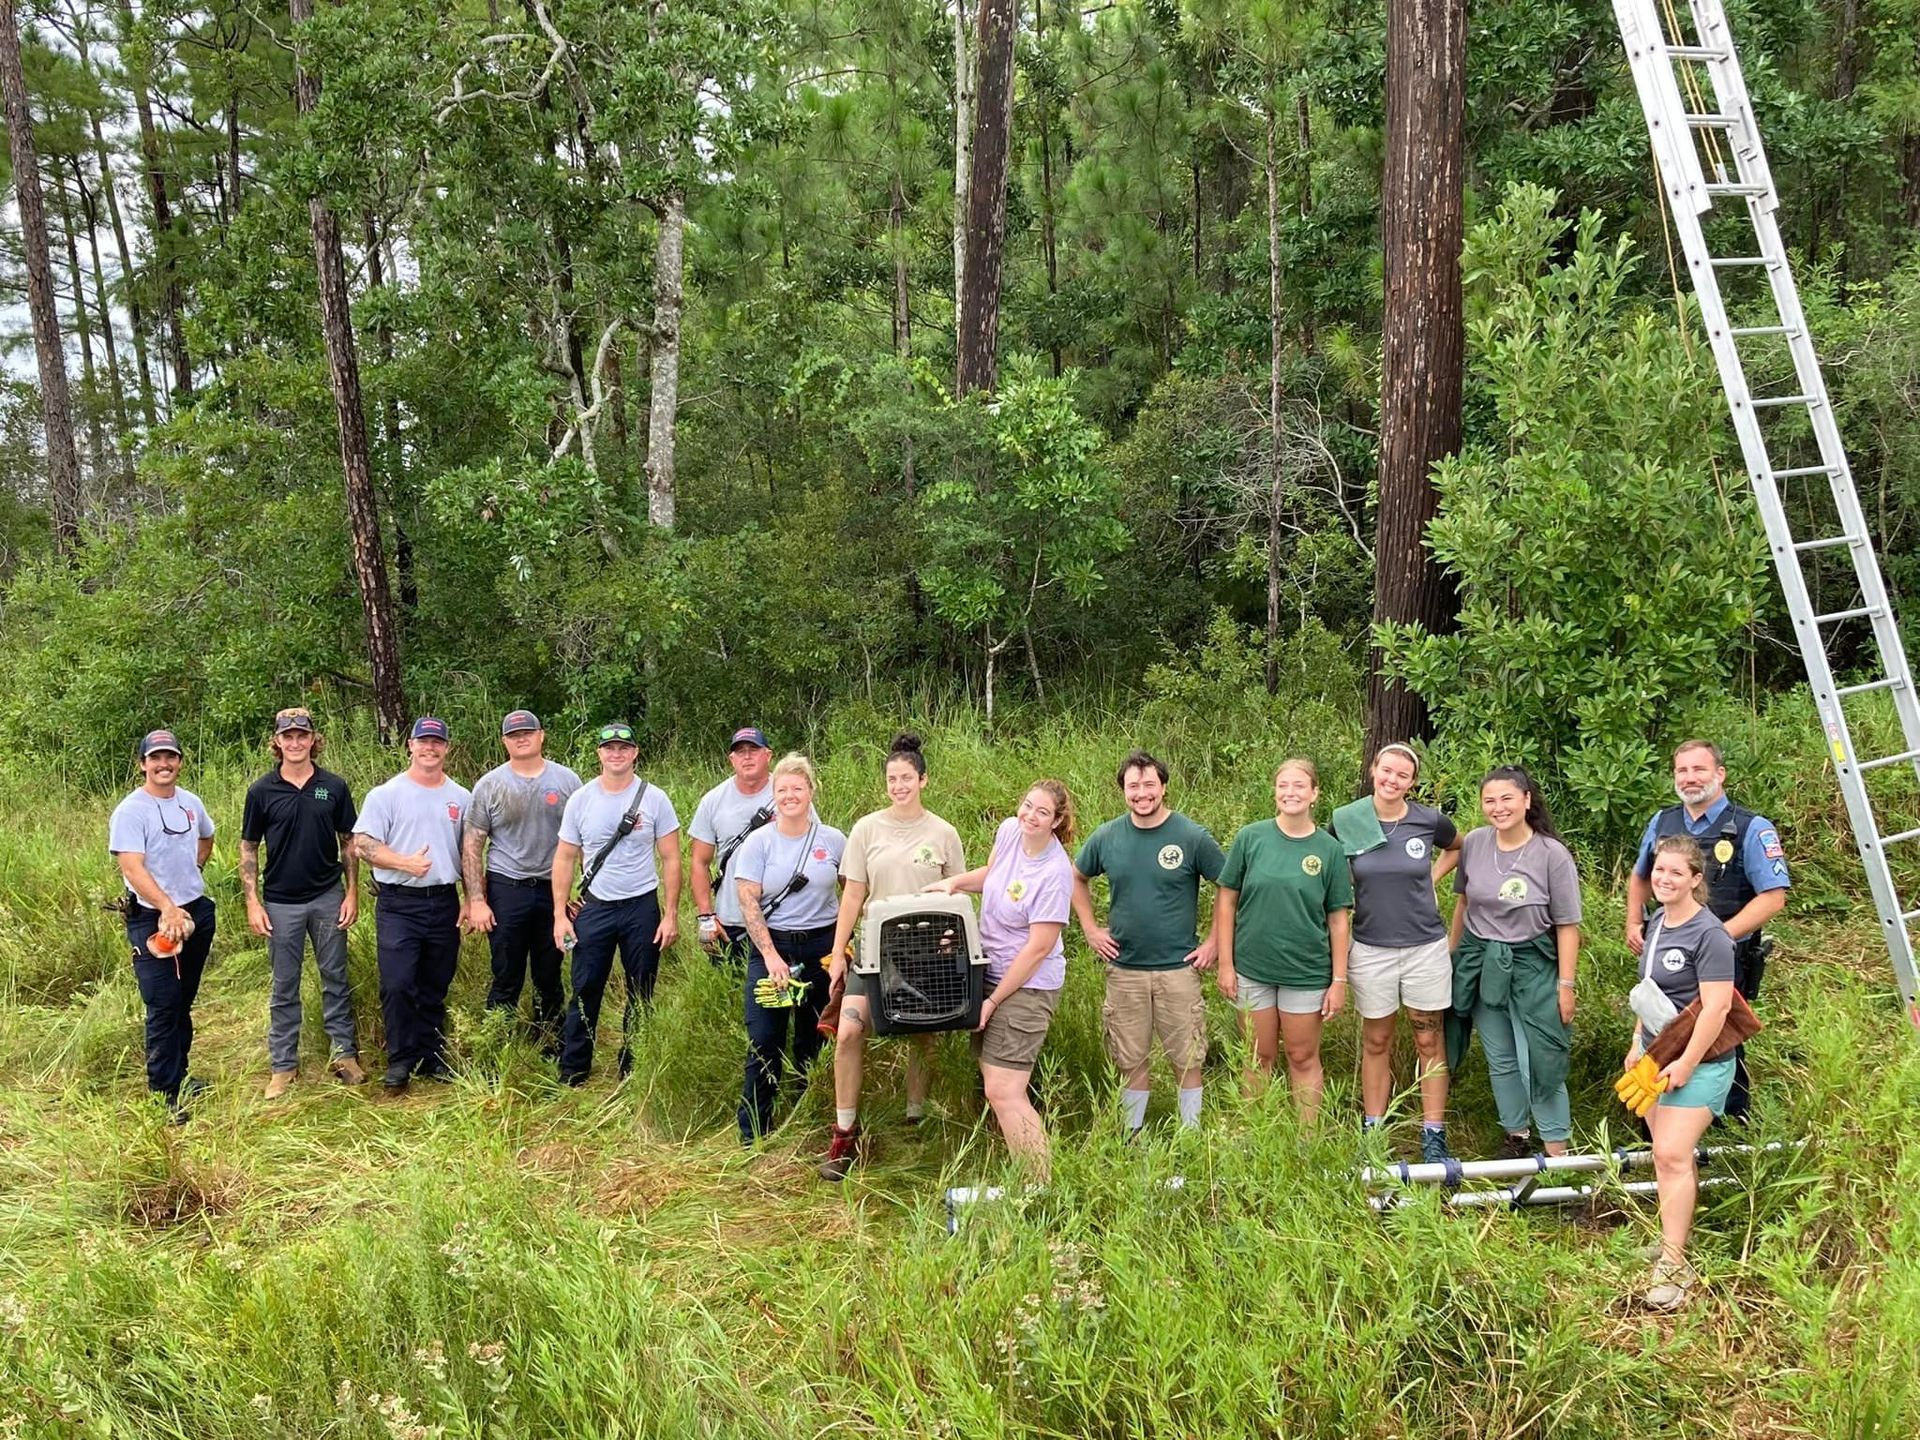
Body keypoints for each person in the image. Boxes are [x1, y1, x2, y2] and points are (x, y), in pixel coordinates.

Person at [817, 732, 967, 1181]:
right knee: (848, 1031)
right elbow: (853, 896)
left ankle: (915, 1118)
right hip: (874, 951)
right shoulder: (867, 829)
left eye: (906, 778)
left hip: (925, 952)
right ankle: (844, 1134)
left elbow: (958, 893)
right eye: (891, 778)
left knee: (924, 1037)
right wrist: (838, 951)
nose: (898, 785)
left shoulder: (943, 833)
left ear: (923, 780)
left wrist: (951, 940)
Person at [1625, 739, 1789, 1122]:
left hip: (1725, 957)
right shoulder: (1662, 822)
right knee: (1660, 1026)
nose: (1690, 778)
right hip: (1667, 954)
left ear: (1720, 774)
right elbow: (1640, 878)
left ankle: (1730, 1130)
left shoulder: (1751, 827)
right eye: (1682, 770)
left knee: (1721, 1036)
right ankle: (1666, 1125)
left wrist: (1716, 938)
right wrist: (1634, 921)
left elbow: (1773, 897)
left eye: (1699, 769)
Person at [1072, 750, 1225, 1134]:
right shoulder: (1107, 836)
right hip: (1125, 970)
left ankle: (1191, 1138)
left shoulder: (1191, 836)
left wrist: (1214, 942)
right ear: (1123, 790)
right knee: (1130, 1058)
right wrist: (1091, 929)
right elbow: (1076, 878)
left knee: (1188, 1057)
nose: (1142, 793)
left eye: (1149, 785)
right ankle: (1132, 1136)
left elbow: (1228, 885)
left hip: (1178, 969)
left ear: (1164, 787)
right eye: (1133, 786)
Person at [929, 781, 1076, 1177]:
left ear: (1057, 821)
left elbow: (1038, 948)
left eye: (1042, 812)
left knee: (1005, 1090)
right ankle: (1022, 1167)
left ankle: (1040, 1186)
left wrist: (992, 1003)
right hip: (989, 969)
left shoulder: (1055, 872)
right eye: (1028, 806)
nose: (1031, 816)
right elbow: (994, 875)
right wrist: (955, 883)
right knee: (994, 1080)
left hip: (1027, 984)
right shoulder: (1011, 830)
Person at [1329, 742, 1462, 1161]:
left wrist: (1431, 879)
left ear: (1412, 782)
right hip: (1371, 947)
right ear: (1373, 769)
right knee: (1377, 1040)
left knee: (1428, 1038)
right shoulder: (1347, 820)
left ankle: (1433, 1134)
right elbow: (1327, 863)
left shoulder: (1427, 820)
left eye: (1402, 775)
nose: (1392, 780)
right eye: (1386, 771)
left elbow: (1458, 846)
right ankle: (1374, 1130)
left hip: (1425, 946)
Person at [1626, 835, 1739, 1311]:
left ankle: (1673, 1267)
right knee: (1665, 1156)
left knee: (1673, 1154)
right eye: (1659, 870)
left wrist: (1686, 1064)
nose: (1665, 879)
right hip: (1655, 1054)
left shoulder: (1709, 934)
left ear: (1696, 879)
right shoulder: (1655, 923)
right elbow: (1647, 990)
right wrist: (1636, 1043)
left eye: (1676, 872)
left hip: (1699, 1062)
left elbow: (1716, 1008)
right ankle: (1673, 1245)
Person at [1447, 766, 1582, 1158]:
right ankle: (1517, 1138)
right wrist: (1453, 958)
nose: (1498, 807)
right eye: (1489, 800)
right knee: (1501, 1057)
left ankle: (1558, 1151)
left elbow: (1568, 926)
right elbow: (1464, 904)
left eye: (1507, 798)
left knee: (1538, 1059)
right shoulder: (1474, 842)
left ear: (1526, 800)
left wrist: (1566, 986)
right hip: (1482, 964)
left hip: (1533, 967)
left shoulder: (1551, 854)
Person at [1214, 758, 1352, 1123]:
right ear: (1274, 792)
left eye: (1299, 786)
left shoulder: (1329, 850)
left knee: (1302, 1056)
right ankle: (1256, 1138)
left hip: (1306, 972)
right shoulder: (1251, 838)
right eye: (1283, 786)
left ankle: (1306, 1146)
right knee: (1257, 1057)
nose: (1290, 793)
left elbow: (1338, 919)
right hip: (1252, 968)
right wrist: (1226, 964)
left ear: (1314, 794)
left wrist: (1339, 980)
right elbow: (1227, 899)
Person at [240, 708, 365, 1096]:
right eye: (287, 736)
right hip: (280, 902)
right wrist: (252, 901)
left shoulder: (334, 786)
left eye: (302, 735)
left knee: (336, 979)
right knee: (284, 985)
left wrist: (352, 892)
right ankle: (284, 1065)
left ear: (313, 740)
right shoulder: (262, 791)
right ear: (276, 742)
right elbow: (249, 847)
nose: (295, 743)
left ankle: (344, 1054)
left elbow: (349, 841)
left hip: (328, 896)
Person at [552, 721, 682, 1086]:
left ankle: (634, 1063)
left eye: (623, 748)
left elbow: (671, 858)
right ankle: (574, 1067)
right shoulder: (582, 799)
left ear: (635, 753)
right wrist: (559, 914)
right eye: (609, 748)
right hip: (595, 907)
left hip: (641, 906)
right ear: (599, 754)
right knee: (585, 986)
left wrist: (670, 914)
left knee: (641, 987)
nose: (616, 753)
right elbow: (564, 857)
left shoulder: (655, 798)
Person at [354, 717, 472, 1091]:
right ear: (410, 745)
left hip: (443, 900)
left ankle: (432, 1056)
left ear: (447, 748)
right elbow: (363, 845)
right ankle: (401, 1059)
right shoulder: (386, 795)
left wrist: (473, 899)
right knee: (398, 982)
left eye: (438, 742)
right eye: (423, 741)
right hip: (398, 903)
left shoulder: (461, 797)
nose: (430, 748)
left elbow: (469, 854)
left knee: (435, 982)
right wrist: (404, 863)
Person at [732, 753, 844, 1142]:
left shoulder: (833, 840)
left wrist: (844, 947)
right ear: (772, 794)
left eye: (797, 788)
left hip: (823, 949)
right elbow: (748, 901)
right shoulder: (759, 843)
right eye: (782, 789)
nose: (790, 795)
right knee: (764, 1039)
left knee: (813, 1038)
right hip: (773, 948)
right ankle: (753, 1132)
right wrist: (771, 957)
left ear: (811, 791)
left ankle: (806, 1116)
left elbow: (853, 892)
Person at [108, 728, 217, 1122]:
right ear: (143, 765)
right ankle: (163, 1096)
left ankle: (181, 1076)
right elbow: (131, 867)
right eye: (155, 758)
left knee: (182, 1000)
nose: (163, 764)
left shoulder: (190, 803)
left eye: (170, 757)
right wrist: (167, 906)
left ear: (180, 762)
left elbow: (207, 837)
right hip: (153, 919)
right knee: (163, 1004)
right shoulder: (131, 811)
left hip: (195, 914)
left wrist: (194, 871)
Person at [463, 709, 583, 1052]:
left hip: (552, 890)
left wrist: (582, 892)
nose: (521, 738)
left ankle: (550, 1044)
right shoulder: (490, 784)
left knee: (549, 973)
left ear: (541, 735)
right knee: (506, 974)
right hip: (506, 888)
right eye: (513, 735)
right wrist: (476, 900)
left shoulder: (567, 782)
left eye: (527, 732)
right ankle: (495, 1046)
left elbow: (583, 840)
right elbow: (472, 844)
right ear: (504, 742)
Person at [689, 727, 778, 967]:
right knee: (732, 992)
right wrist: (706, 917)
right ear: (731, 759)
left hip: (781, 918)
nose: (747, 757)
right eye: (740, 752)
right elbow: (699, 862)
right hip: (732, 920)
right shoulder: (713, 801)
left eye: (753, 750)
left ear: (768, 755)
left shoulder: (787, 793)